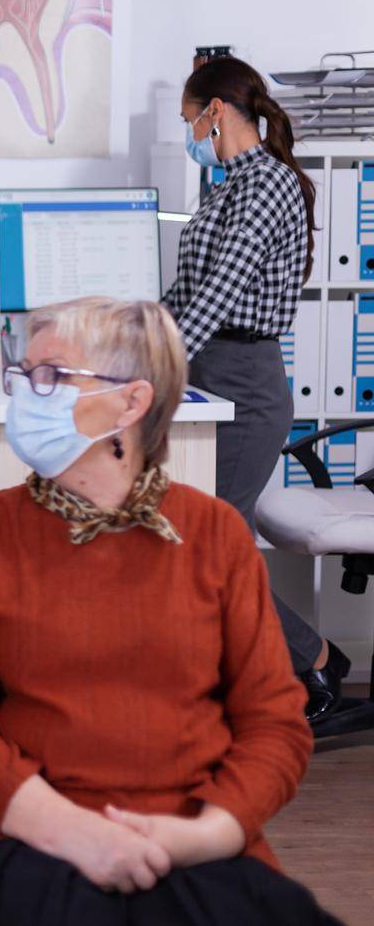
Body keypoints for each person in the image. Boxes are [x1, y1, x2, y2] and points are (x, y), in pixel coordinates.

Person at [0, 296, 337, 925]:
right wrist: (68, 829)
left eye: (49, 377)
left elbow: (275, 727)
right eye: (22, 374)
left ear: (130, 402)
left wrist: (199, 837)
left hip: (191, 844)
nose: (24, 394)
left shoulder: (216, 537)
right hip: (18, 844)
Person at [162, 55, 349, 725]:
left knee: (207, 543)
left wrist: (154, 358)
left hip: (245, 385)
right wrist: (124, 334)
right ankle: (248, 673)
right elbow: (183, 294)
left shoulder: (267, 185)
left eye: (190, 120)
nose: (189, 135)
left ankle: (315, 658)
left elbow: (218, 297)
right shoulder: (223, 188)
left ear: (216, 111)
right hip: (208, 380)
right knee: (197, 538)